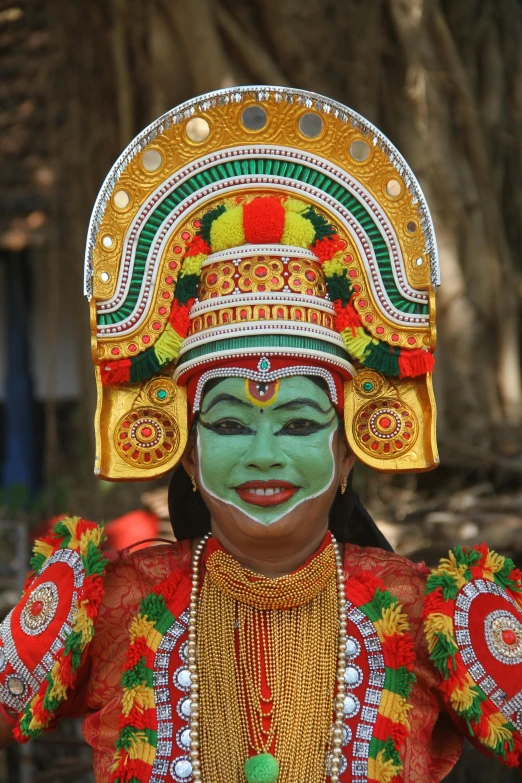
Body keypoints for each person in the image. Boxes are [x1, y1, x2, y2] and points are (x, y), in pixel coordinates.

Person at [0, 87, 521, 783]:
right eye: (230, 422)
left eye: (302, 422)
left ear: (346, 453)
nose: (265, 452)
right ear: (187, 452)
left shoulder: (429, 616)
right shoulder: (109, 608)